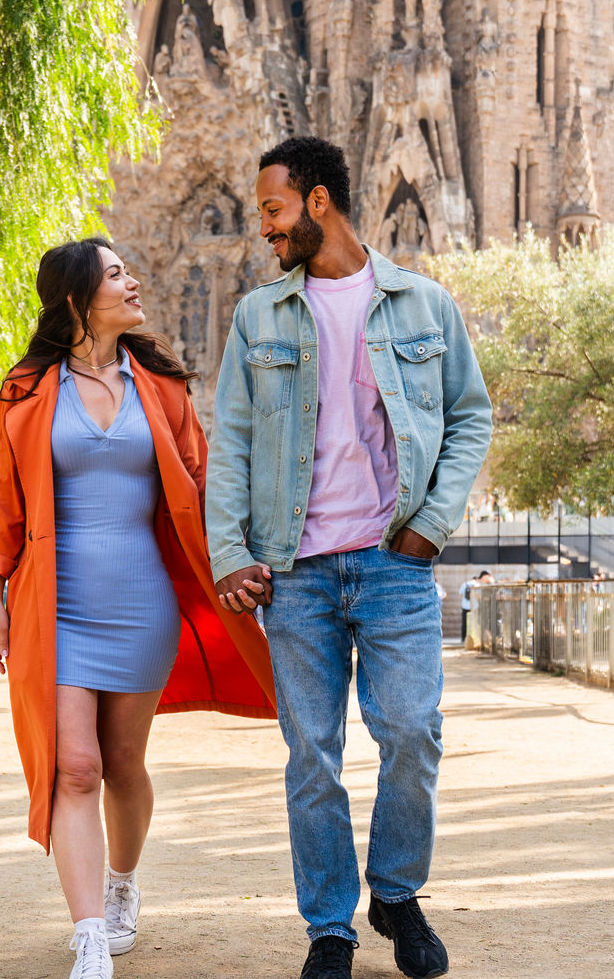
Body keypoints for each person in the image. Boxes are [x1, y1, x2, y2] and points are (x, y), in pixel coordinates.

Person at [205, 136, 492, 979]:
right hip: (294, 573)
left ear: (319, 202)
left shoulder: (423, 304)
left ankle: (396, 895)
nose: (264, 228)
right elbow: (233, 444)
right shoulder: (260, 316)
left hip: (396, 565)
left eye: (273, 210)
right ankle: (329, 927)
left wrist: (431, 523)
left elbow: (471, 416)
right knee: (313, 756)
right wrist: (231, 554)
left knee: (412, 733)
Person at [0, 237, 277, 979]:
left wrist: (238, 557)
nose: (133, 281)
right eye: (116, 274)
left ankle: (121, 886)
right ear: (77, 299)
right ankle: (87, 937)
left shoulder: (163, 386)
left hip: (144, 602)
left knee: (121, 763)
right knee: (73, 767)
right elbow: (2, 502)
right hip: (57, 606)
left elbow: (205, 487)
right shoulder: (23, 391)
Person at [458, 570, 493, 644]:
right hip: (474, 606)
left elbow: (460, 595)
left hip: (465, 606)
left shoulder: (465, 584)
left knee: (464, 623)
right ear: (477, 579)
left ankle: (463, 638)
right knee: (475, 622)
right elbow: (479, 596)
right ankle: (474, 638)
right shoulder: (477, 585)